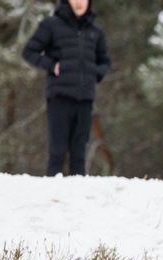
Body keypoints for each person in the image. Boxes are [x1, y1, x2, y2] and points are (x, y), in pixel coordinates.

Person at [21, 0, 111, 177]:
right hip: (59, 97)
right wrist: (51, 65)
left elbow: (105, 62)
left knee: (79, 153)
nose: (79, 3)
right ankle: (52, 195)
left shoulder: (96, 31)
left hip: (85, 99)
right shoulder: (51, 25)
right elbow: (29, 52)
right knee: (57, 150)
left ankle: (78, 198)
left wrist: (95, 73)